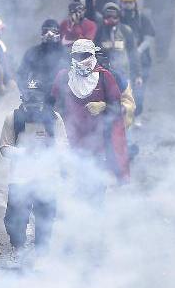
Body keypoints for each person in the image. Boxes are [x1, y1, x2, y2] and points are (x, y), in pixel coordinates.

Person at [0, 79, 68, 252]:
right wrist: (24, 153)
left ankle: (41, 251)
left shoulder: (54, 118)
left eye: (37, 95)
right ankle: (18, 247)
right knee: (14, 218)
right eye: (29, 95)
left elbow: (63, 145)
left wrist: (47, 152)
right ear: (23, 96)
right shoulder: (13, 118)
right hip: (20, 176)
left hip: (46, 176)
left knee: (45, 216)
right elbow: (4, 147)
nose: (33, 100)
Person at [51, 39, 129, 183]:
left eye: (84, 55)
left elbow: (119, 109)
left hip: (98, 142)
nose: (80, 60)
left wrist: (103, 106)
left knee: (95, 184)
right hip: (71, 139)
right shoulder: (63, 77)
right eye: (77, 56)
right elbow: (52, 105)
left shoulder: (105, 77)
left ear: (92, 55)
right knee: (72, 184)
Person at [119, 0, 155, 113]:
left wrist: (137, 51)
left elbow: (149, 39)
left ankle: (138, 114)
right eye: (125, 2)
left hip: (142, 60)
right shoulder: (117, 18)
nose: (128, 5)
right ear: (121, 3)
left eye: (130, 2)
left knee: (139, 89)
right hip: (122, 60)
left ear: (135, 2)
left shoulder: (142, 18)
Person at [94, 3, 142, 90]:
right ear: (104, 17)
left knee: (126, 101)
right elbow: (93, 53)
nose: (111, 19)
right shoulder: (99, 31)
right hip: (104, 75)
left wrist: (138, 75)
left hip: (123, 74)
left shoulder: (126, 31)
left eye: (114, 16)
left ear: (119, 16)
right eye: (108, 16)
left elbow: (133, 54)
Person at [18, 19, 68, 91]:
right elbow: (21, 74)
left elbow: (74, 75)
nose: (50, 35)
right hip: (38, 94)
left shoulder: (66, 53)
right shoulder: (32, 53)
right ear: (42, 34)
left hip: (61, 94)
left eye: (53, 31)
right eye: (46, 32)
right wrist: (29, 87)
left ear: (59, 33)